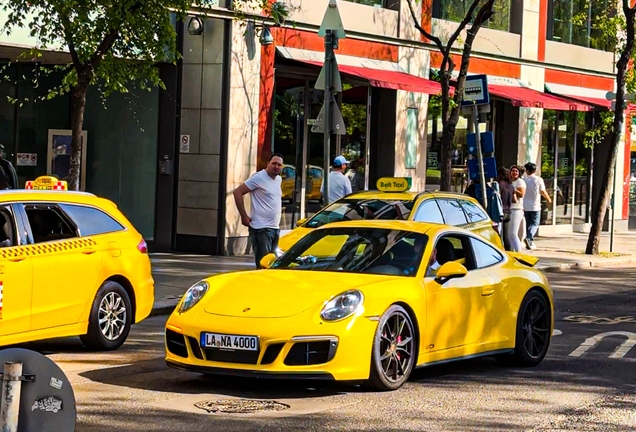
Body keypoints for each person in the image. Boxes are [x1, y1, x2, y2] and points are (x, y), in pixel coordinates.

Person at [233, 153, 284, 268]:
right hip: (261, 229)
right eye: (273, 163)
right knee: (263, 264)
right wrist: (243, 216)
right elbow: (237, 192)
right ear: (267, 164)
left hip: (274, 228)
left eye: (279, 165)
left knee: (272, 264)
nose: (276, 166)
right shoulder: (258, 177)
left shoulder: (278, 179)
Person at [523, 162, 552, 250]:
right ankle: (529, 238)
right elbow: (543, 191)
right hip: (535, 206)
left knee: (528, 224)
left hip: (525, 206)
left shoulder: (524, 179)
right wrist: (548, 199)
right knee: (535, 223)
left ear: (527, 170)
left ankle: (529, 239)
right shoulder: (539, 180)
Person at [506, 165, 526, 252]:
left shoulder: (520, 182)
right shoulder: (509, 182)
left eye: (516, 171)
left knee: (513, 233)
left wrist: (513, 189)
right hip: (509, 209)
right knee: (509, 234)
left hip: (516, 209)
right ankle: (513, 251)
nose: (514, 173)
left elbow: (521, 194)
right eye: (513, 171)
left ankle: (518, 252)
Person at [497, 167, 513, 249]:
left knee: (498, 233)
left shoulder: (499, 184)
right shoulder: (510, 186)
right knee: (506, 236)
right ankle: (509, 251)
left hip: (501, 211)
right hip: (508, 211)